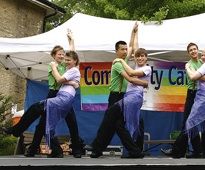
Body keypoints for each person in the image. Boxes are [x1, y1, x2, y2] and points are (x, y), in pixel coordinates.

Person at [86, 21, 148, 158]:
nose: (125, 51)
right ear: (116, 51)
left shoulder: (122, 61)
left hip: (123, 98)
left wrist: (134, 32)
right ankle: (99, 148)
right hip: (116, 96)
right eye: (122, 49)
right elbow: (130, 77)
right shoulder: (118, 64)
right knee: (115, 124)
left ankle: (98, 148)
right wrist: (144, 84)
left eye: (126, 50)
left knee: (115, 125)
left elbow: (132, 47)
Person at [2, 51, 80, 158]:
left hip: (62, 99)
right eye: (62, 57)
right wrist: (73, 83)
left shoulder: (72, 69)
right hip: (60, 98)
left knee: (35, 109)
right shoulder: (67, 69)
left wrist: (53, 67)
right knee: (48, 126)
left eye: (67, 59)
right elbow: (72, 55)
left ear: (75, 61)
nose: (65, 60)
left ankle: (16, 130)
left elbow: (59, 79)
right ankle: (57, 151)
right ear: (53, 56)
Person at [21, 29, 83, 158]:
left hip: (63, 96)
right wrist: (73, 83)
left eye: (62, 54)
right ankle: (34, 150)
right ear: (53, 56)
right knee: (42, 125)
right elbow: (59, 79)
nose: (62, 57)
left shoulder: (65, 66)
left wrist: (71, 39)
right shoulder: (53, 65)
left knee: (72, 123)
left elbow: (72, 56)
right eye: (59, 54)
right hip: (54, 94)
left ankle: (76, 149)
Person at [161, 24, 205, 158]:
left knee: (196, 123)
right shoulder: (190, 65)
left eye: (195, 49)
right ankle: (197, 150)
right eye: (190, 50)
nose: (193, 52)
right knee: (188, 123)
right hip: (192, 94)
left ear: (198, 51)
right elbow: (196, 77)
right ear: (188, 53)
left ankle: (191, 151)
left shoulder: (203, 62)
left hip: (201, 95)